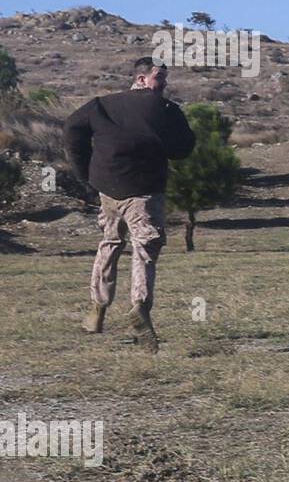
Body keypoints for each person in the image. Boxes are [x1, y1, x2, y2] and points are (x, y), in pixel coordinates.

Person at [63, 58, 195, 351]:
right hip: (145, 192)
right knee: (145, 248)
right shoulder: (166, 110)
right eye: (160, 77)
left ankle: (97, 310)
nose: (165, 84)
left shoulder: (100, 104)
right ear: (141, 78)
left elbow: (72, 128)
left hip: (106, 189)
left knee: (110, 243)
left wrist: (85, 173)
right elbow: (183, 149)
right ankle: (140, 308)